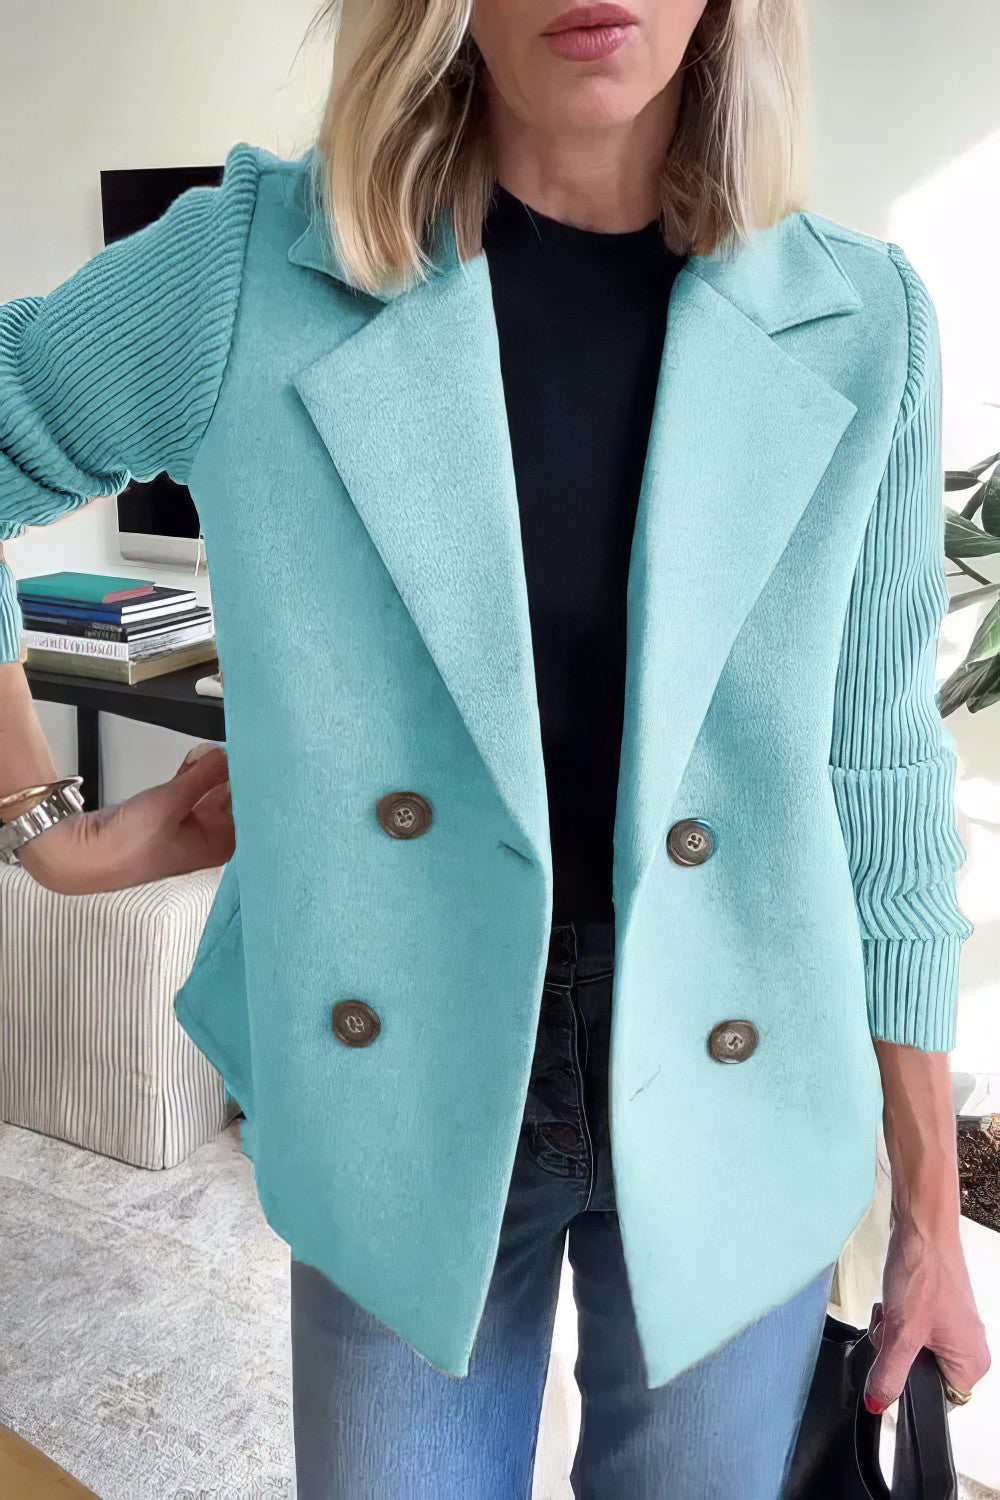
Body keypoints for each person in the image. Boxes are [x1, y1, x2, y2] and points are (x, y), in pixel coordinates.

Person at [0, 0, 990, 1494]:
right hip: (403, 1075)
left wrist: (928, 1210)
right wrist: (45, 822)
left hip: (749, 1069)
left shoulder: (862, 318)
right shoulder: (254, 272)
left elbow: (880, 772)